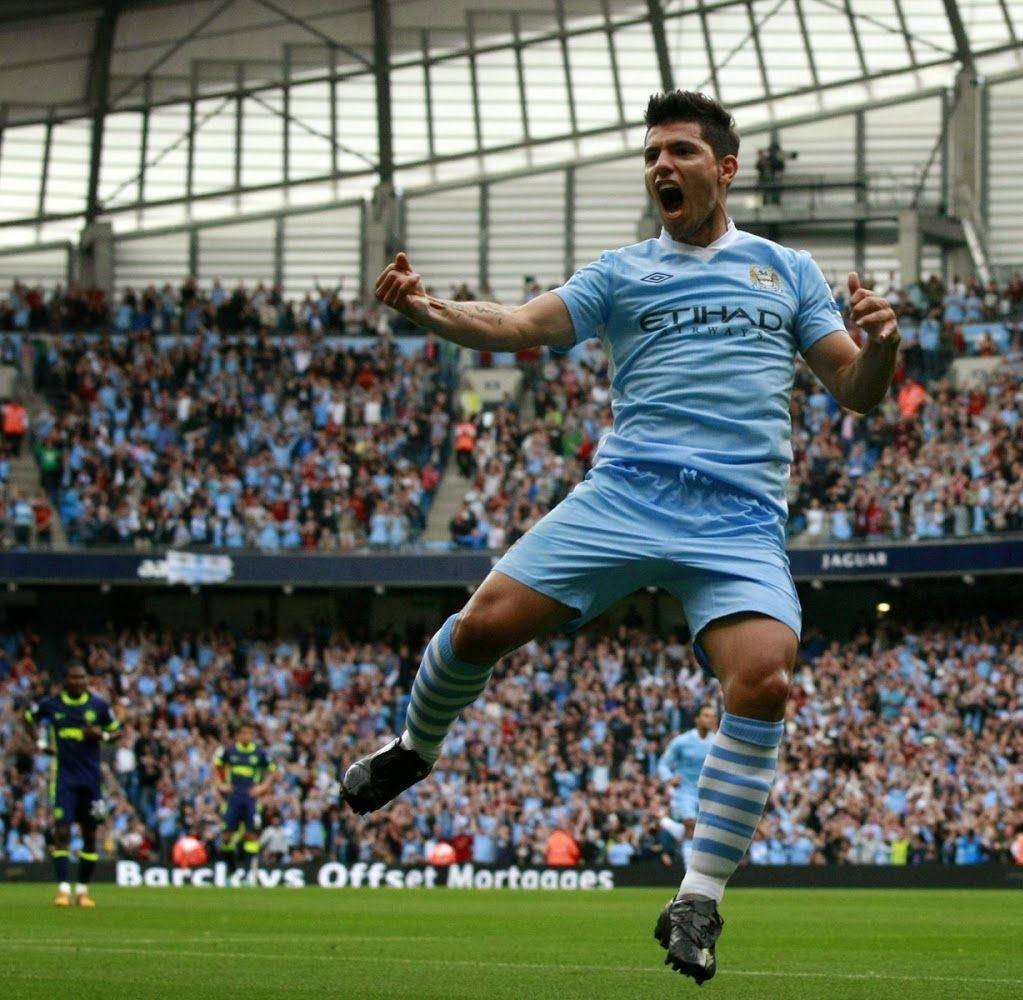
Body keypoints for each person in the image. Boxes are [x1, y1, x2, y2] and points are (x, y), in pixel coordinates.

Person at [345, 89, 900, 984]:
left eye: (680, 151)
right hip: (628, 495)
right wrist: (428, 308)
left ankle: (699, 897)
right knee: (482, 625)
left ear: (724, 169)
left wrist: (881, 344)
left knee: (764, 679)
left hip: (739, 517)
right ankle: (414, 748)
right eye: (652, 155)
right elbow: (520, 326)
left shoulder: (786, 271)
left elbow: (858, 388)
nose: (661, 166)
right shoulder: (622, 271)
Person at [24, 663, 120, 907]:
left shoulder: (98, 706)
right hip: (64, 778)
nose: (79, 681)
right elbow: (28, 718)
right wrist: (40, 741)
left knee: (90, 835)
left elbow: (117, 731)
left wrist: (102, 735)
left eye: (83, 678)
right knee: (62, 832)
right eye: (74, 677)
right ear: (66, 680)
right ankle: (64, 890)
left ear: (87, 680)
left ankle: (83, 891)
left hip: (91, 781)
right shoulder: (52, 704)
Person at [213, 720, 276, 878]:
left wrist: (263, 787)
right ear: (238, 735)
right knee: (226, 835)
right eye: (244, 733)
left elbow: (272, 770)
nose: (247, 736)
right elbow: (215, 766)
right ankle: (231, 868)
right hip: (232, 798)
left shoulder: (259, 753)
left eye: (250, 733)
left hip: (250, 799)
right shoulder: (229, 751)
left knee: (251, 835)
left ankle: (248, 873)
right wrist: (220, 784)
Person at [657, 705, 718, 840]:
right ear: (697, 719)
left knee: (695, 833)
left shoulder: (717, 742)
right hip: (685, 792)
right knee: (691, 824)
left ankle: (676, 831)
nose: (711, 719)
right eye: (706, 716)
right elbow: (663, 764)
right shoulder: (682, 741)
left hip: (708, 794)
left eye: (713, 716)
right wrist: (669, 778)